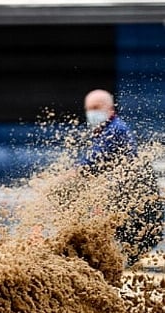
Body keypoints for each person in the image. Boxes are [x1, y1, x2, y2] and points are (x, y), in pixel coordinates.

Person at [65, 89, 164, 265]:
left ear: (110, 109)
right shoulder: (101, 133)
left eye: (96, 107)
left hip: (137, 208)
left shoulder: (115, 130)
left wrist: (59, 181)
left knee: (125, 257)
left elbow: (87, 166)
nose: (92, 113)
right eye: (89, 109)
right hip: (124, 204)